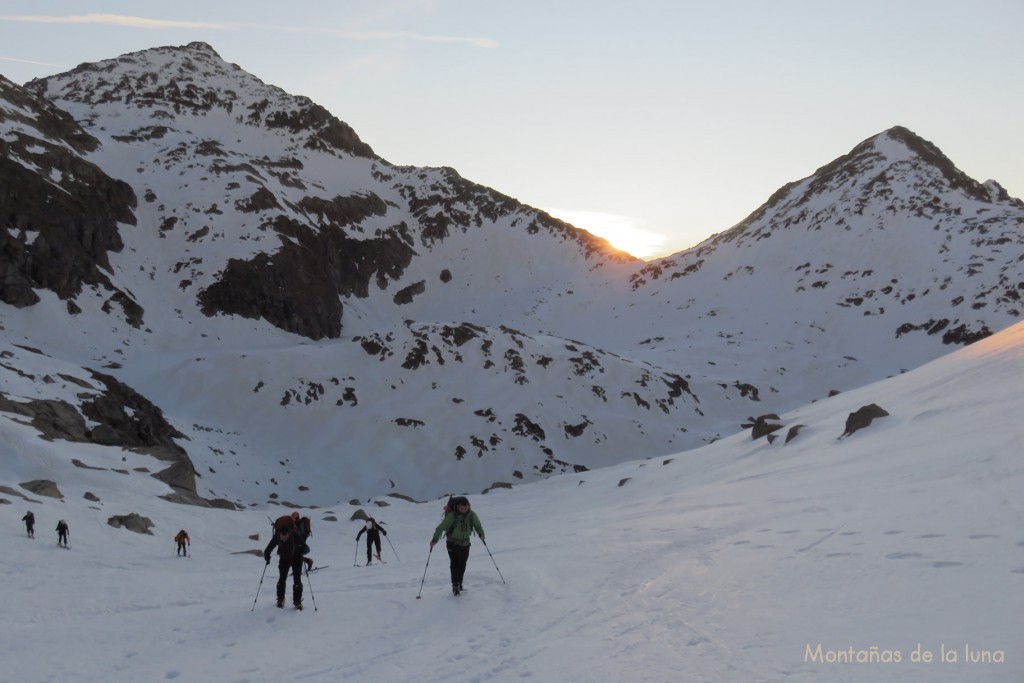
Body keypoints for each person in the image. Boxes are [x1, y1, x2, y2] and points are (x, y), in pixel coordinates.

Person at [430, 496, 484, 595]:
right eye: (461, 508)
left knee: (462, 563)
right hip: (452, 543)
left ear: (469, 506)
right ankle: (455, 585)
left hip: (465, 543)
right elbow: (440, 528)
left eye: (466, 508)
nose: (464, 510)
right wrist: (435, 539)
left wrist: (481, 533)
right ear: (457, 507)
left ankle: (460, 583)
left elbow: (478, 525)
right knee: (455, 563)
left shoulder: (472, 515)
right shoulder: (451, 516)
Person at [264, 513, 308, 609]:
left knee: (297, 580)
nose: (283, 540)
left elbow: (307, 549)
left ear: (289, 533)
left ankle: (297, 602)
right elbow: (268, 549)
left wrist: (302, 549)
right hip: (284, 558)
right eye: (281, 538)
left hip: (296, 558)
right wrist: (267, 557)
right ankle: (280, 599)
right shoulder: (277, 537)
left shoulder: (296, 535)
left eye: (285, 538)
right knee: (282, 579)